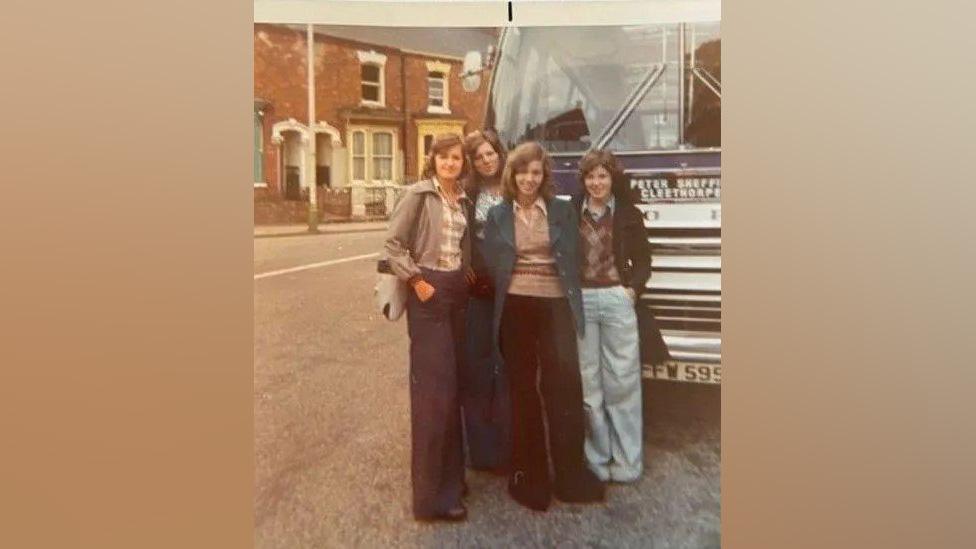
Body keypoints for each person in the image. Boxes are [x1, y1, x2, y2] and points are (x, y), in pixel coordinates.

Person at [483, 141, 605, 511]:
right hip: (517, 307)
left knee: (564, 388)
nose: (529, 179)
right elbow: (492, 262)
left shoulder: (562, 211)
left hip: (556, 306)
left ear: (544, 175)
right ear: (512, 173)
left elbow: (580, 254)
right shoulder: (498, 215)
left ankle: (570, 476)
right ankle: (530, 477)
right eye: (522, 171)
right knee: (523, 391)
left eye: (536, 172)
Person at [384, 133, 473, 522]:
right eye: (445, 157)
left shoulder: (463, 198)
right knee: (433, 396)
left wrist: (465, 274)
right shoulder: (420, 195)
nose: (451, 163)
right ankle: (430, 498)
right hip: (429, 292)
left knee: (451, 389)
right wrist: (418, 282)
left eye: (457, 158)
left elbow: (461, 246)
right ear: (433, 160)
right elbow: (391, 246)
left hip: (456, 292)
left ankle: (451, 482)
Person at [572, 149, 654, 483]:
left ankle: (628, 461)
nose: (596, 183)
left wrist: (632, 290)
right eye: (590, 176)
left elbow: (645, 260)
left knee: (622, 381)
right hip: (583, 300)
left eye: (602, 176)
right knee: (589, 382)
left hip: (616, 298)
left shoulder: (629, 214)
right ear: (584, 180)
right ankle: (597, 459)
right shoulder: (570, 213)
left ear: (612, 178)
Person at [460, 129, 510, 473]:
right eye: (479, 157)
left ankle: (509, 447)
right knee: (478, 367)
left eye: (490, 153)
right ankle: (482, 450)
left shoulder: (515, 189)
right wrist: (467, 269)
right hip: (479, 289)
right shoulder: (468, 194)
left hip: (512, 287)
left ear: (500, 153)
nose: (486, 160)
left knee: (507, 366)